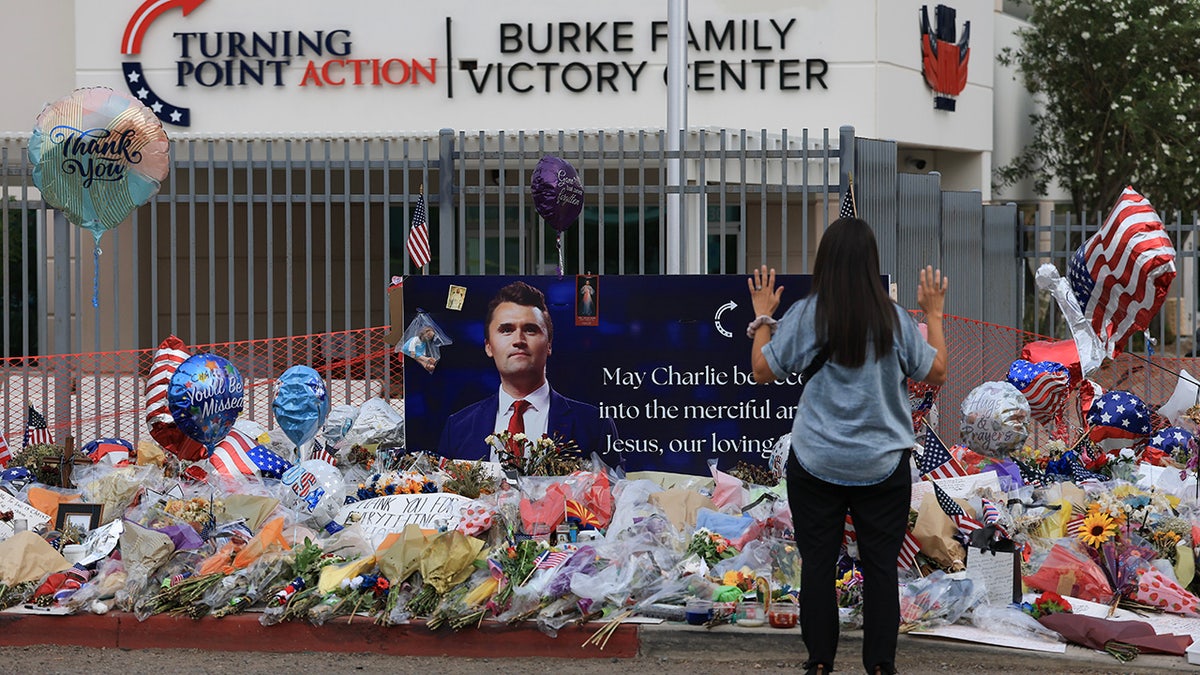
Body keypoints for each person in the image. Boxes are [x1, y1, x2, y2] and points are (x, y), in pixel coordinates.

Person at [747, 217, 947, 675]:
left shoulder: (806, 314)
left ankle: (819, 663)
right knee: (880, 570)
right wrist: (933, 314)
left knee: (817, 566)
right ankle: (880, 666)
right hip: (883, 465)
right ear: (870, 264)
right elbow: (935, 373)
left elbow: (762, 370)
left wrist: (762, 315)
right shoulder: (894, 320)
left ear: (825, 264)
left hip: (816, 461)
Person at [438, 280, 620, 466]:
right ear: (488, 346)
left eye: (530, 330)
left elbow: (615, 492)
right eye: (507, 330)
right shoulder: (458, 428)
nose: (518, 340)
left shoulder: (594, 425)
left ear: (549, 344)